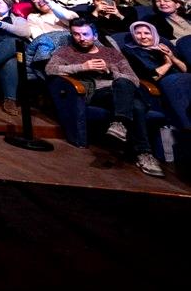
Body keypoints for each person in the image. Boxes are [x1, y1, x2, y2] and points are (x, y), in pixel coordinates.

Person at [46, 19, 163, 177]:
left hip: (122, 89)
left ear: (94, 35)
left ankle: (120, 123)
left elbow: (133, 78)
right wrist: (82, 67)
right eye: (76, 34)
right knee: (137, 106)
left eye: (85, 34)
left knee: (124, 83)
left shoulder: (111, 53)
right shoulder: (65, 52)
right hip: (97, 92)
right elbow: (50, 69)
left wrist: (110, 69)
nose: (81, 38)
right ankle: (144, 153)